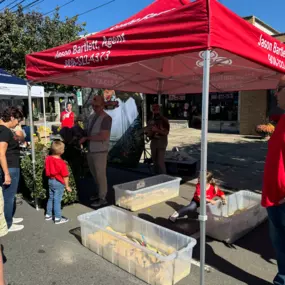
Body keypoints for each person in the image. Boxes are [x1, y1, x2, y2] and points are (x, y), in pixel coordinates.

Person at [262, 75, 285, 285]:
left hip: (283, 202)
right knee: (280, 248)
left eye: (278, 88)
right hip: (274, 200)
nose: (275, 94)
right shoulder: (282, 119)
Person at [79, 96, 112, 207]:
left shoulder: (106, 118)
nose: (94, 108)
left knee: (100, 175)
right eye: (93, 105)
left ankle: (103, 198)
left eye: (96, 106)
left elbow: (103, 136)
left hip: (100, 151)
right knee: (95, 174)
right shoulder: (92, 116)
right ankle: (99, 193)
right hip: (91, 149)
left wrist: (87, 138)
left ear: (102, 105)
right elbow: (88, 132)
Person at [0, 107, 24, 232]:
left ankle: (8, 218)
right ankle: (7, 224)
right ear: (12, 117)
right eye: (17, 121)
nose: (17, 124)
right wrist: (7, 173)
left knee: (6, 196)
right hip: (10, 166)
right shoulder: (4, 131)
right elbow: (1, 153)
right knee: (8, 196)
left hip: (9, 166)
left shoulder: (5, 130)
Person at [45, 141, 72, 224]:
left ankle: (48, 215)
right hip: (58, 182)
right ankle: (58, 218)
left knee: (51, 197)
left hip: (50, 180)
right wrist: (67, 186)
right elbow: (65, 176)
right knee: (57, 200)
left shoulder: (48, 158)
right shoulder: (61, 163)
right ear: (62, 151)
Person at [145, 104, 169, 174]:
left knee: (160, 162)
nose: (155, 112)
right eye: (154, 110)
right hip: (154, 142)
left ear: (160, 111)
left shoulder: (164, 120)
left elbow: (166, 132)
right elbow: (149, 133)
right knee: (155, 162)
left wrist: (157, 130)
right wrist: (147, 132)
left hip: (162, 143)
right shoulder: (151, 120)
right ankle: (156, 177)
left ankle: (164, 178)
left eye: (157, 110)